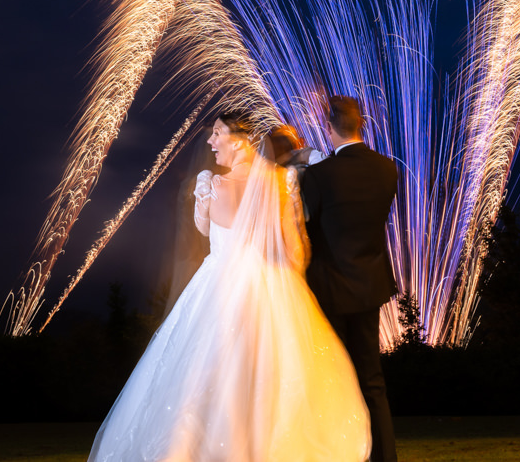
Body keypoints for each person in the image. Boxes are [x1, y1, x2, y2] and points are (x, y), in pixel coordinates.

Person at [89, 108, 370, 462]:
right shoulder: (282, 183)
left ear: (238, 141)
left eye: (217, 133)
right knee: (273, 377)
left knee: (199, 375)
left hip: (216, 288)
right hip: (271, 287)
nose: (210, 141)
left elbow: (205, 231)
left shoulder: (209, 183)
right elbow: (296, 249)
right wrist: (288, 292)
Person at [299, 95, 400, 462]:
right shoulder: (387, 168)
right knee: (373, 382)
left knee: (335, 380)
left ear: (329, 127)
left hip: (329, 288)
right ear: (362, 125)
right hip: (369, 286)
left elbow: (305, 229)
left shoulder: (320, 175)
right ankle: (385, 457)